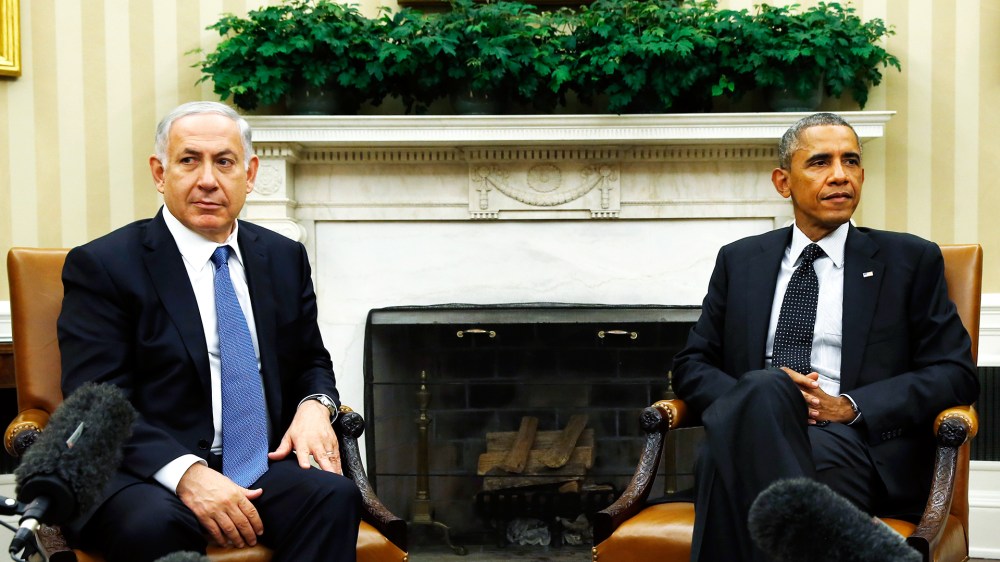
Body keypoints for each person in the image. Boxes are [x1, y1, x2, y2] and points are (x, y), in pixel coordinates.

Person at [57, 101, 361, 561]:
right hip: (143, 472)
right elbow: (97, 403)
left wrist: (315, 407)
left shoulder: (282, 257)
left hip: (256, 463)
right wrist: (187, 474)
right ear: (160, 173)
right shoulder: (104, 265)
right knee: (153, 524)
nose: (207, 180)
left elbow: (310, 360)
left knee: (333, 498)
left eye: (223, 162)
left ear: (250, 172)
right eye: (188, 160)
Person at [671, 112, 980, 562]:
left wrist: (850, 407)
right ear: (783, 182)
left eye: (851, 162)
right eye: (820, 162)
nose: (840, 176)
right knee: (764, 387)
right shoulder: (741, 262)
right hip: (754, 433)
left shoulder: (909, 260)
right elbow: (691, 365)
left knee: (734, 465)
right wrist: (757, 398)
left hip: (852, 445)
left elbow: (956, 374)